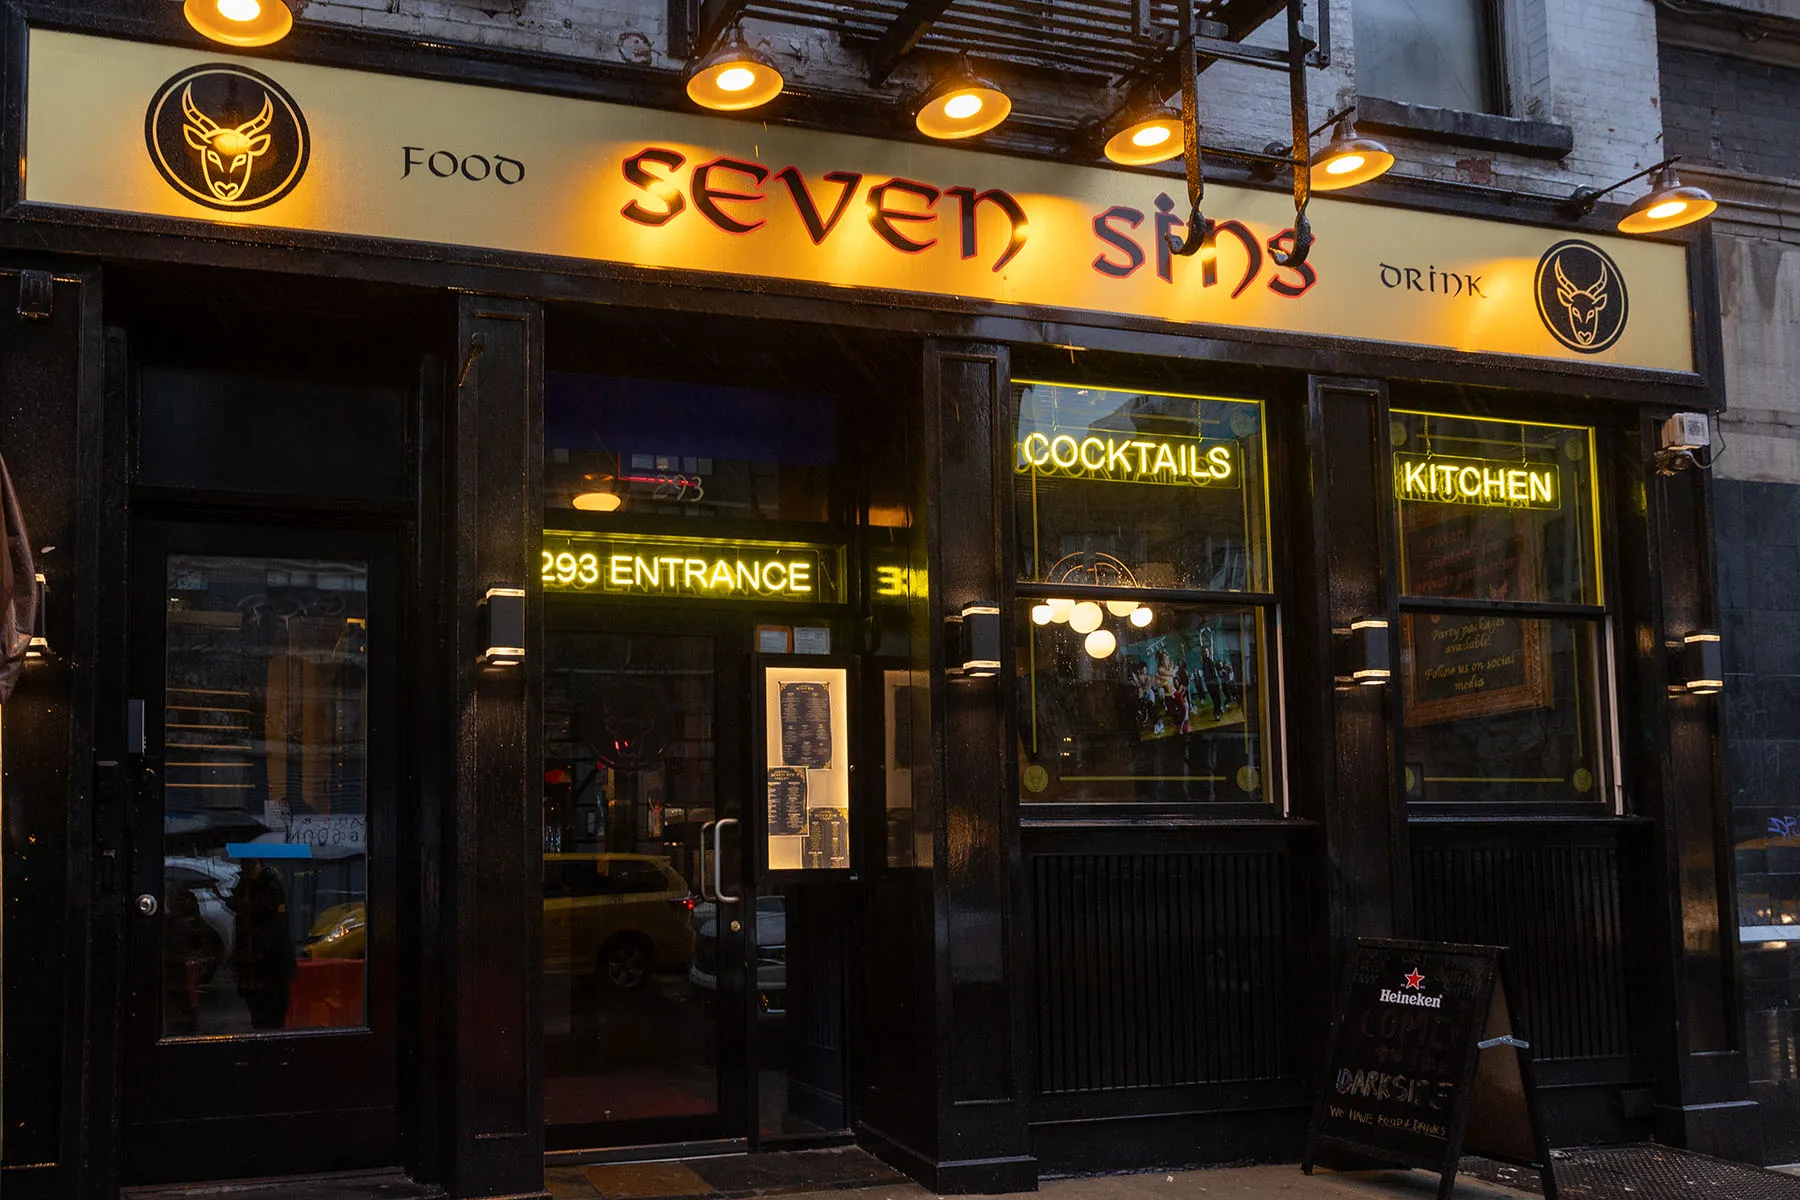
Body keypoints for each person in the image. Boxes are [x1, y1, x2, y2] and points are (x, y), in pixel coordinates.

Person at [228, 857, 296, 1030]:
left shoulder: (271, 885)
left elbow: (275, 919)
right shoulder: (243, 886)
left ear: (260, 864)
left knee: (272, 1009)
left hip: (269, 958)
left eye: (252, 864)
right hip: (251, 957)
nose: (248, 868)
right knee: (256, 1009)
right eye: (246, 864)